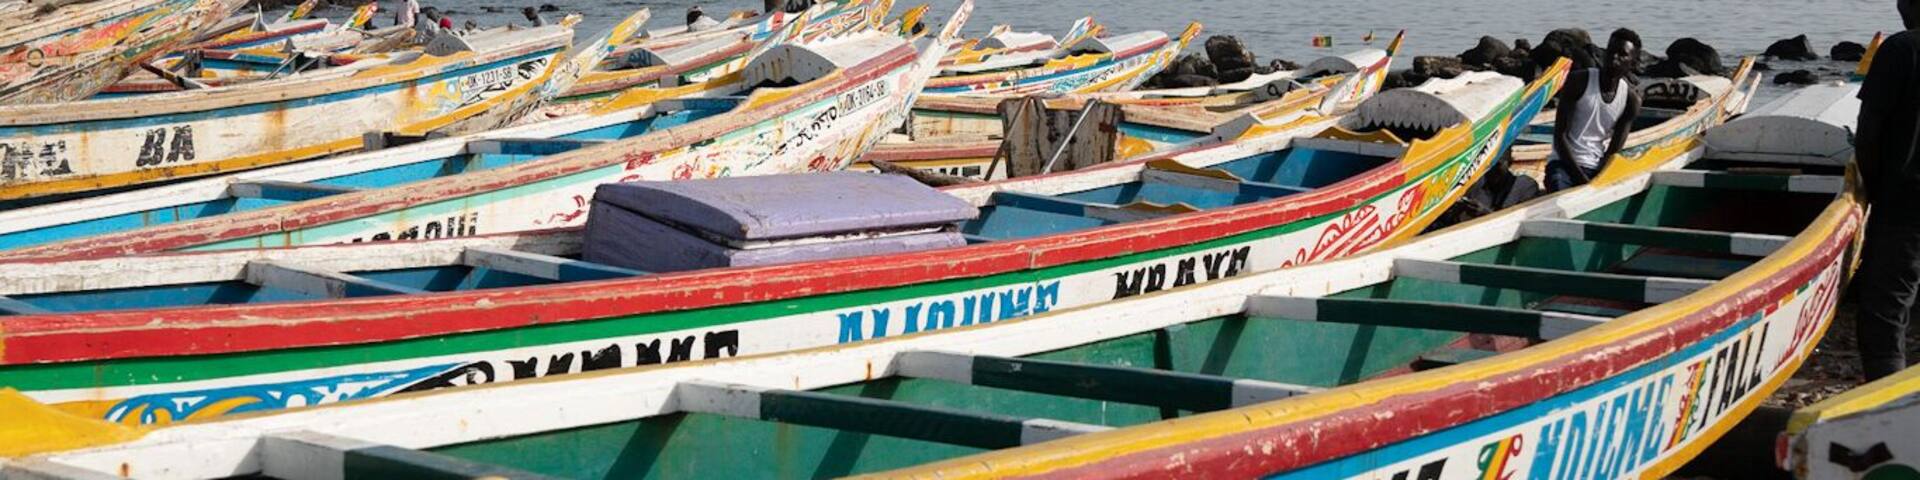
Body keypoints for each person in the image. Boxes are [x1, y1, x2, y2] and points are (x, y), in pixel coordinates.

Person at [1854, 0, 1920, 381]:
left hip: (1905, 199)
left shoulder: (1900, 49)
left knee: (1885, 307)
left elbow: (1869, 130)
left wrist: (1872, 188)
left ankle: (1885, 398)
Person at [1544, 29, 1643, 192]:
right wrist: (1582, 181)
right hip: (1563, 165)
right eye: (1610, 51)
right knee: (1559, 192)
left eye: (1621, 55)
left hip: (1595, 167)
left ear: (1632, 63)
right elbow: (1559, 137)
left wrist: (1598, 179)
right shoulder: (1578, 82)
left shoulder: (1631, 100)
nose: (1614, 58)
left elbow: (1613, 151)